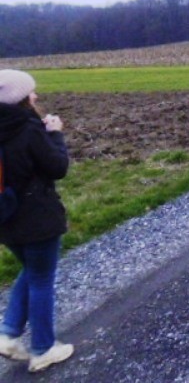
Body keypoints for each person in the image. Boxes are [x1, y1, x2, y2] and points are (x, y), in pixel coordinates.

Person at [0, 70, 74, 373]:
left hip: (5, 218)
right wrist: (55, 135)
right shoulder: (29, 130)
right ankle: (43, 349)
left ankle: (8, 334)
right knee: (42, 279)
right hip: (38, 218)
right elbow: (58, 167)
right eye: (30, 92)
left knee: (32, 271)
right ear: (19, 100)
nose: (36, 96)